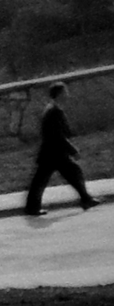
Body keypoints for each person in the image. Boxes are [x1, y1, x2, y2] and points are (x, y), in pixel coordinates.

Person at [25, 81, 102, 216]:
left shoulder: (53, 109)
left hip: (53, 153)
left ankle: (85, 198)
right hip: (53, 153)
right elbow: (58, 135)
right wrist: (73, 150)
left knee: (68, 174)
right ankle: (85, 199)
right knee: (42, 181)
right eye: (65, 91)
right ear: (60, 94)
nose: (67, 94)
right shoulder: (54, 111)